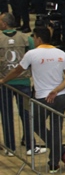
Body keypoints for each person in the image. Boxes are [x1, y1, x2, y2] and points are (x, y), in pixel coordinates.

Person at [0, 27, 65, 173]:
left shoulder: (32, 54)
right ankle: (54, 162)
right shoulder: (61, 53)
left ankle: (60, 151)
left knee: (35, 124)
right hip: (61, 96)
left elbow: (17, 71)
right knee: (56, 128)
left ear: (39, 39)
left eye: (34, 38)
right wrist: (57, 89)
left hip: (44, 97)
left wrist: (3, 80)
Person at [0, 13, 35, 156]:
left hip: (5, 83)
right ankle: (30, 145)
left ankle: (10, 148)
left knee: (6, 115)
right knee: (27, 114)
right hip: (24, 83)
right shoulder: (27, 38)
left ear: (4, 23)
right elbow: (33, 57)